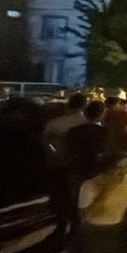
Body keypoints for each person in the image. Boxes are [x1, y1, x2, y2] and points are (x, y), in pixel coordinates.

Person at [44, 93, 87, 240]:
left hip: (57, 163)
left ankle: (61, 225)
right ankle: (76, 226)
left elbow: (45, 143)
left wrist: (55, 152)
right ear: (84, 105)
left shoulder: (55, 123)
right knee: (77, 197)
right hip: (79, 165)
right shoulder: (86, 123)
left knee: (59, 195)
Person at [65, 101, 113, 192]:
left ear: (85, 114)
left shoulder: (73, 131)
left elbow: (68, 150)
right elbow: (108, 151)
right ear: (102, 114)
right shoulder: (105, 132)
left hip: (77, 169)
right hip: (97, 170)